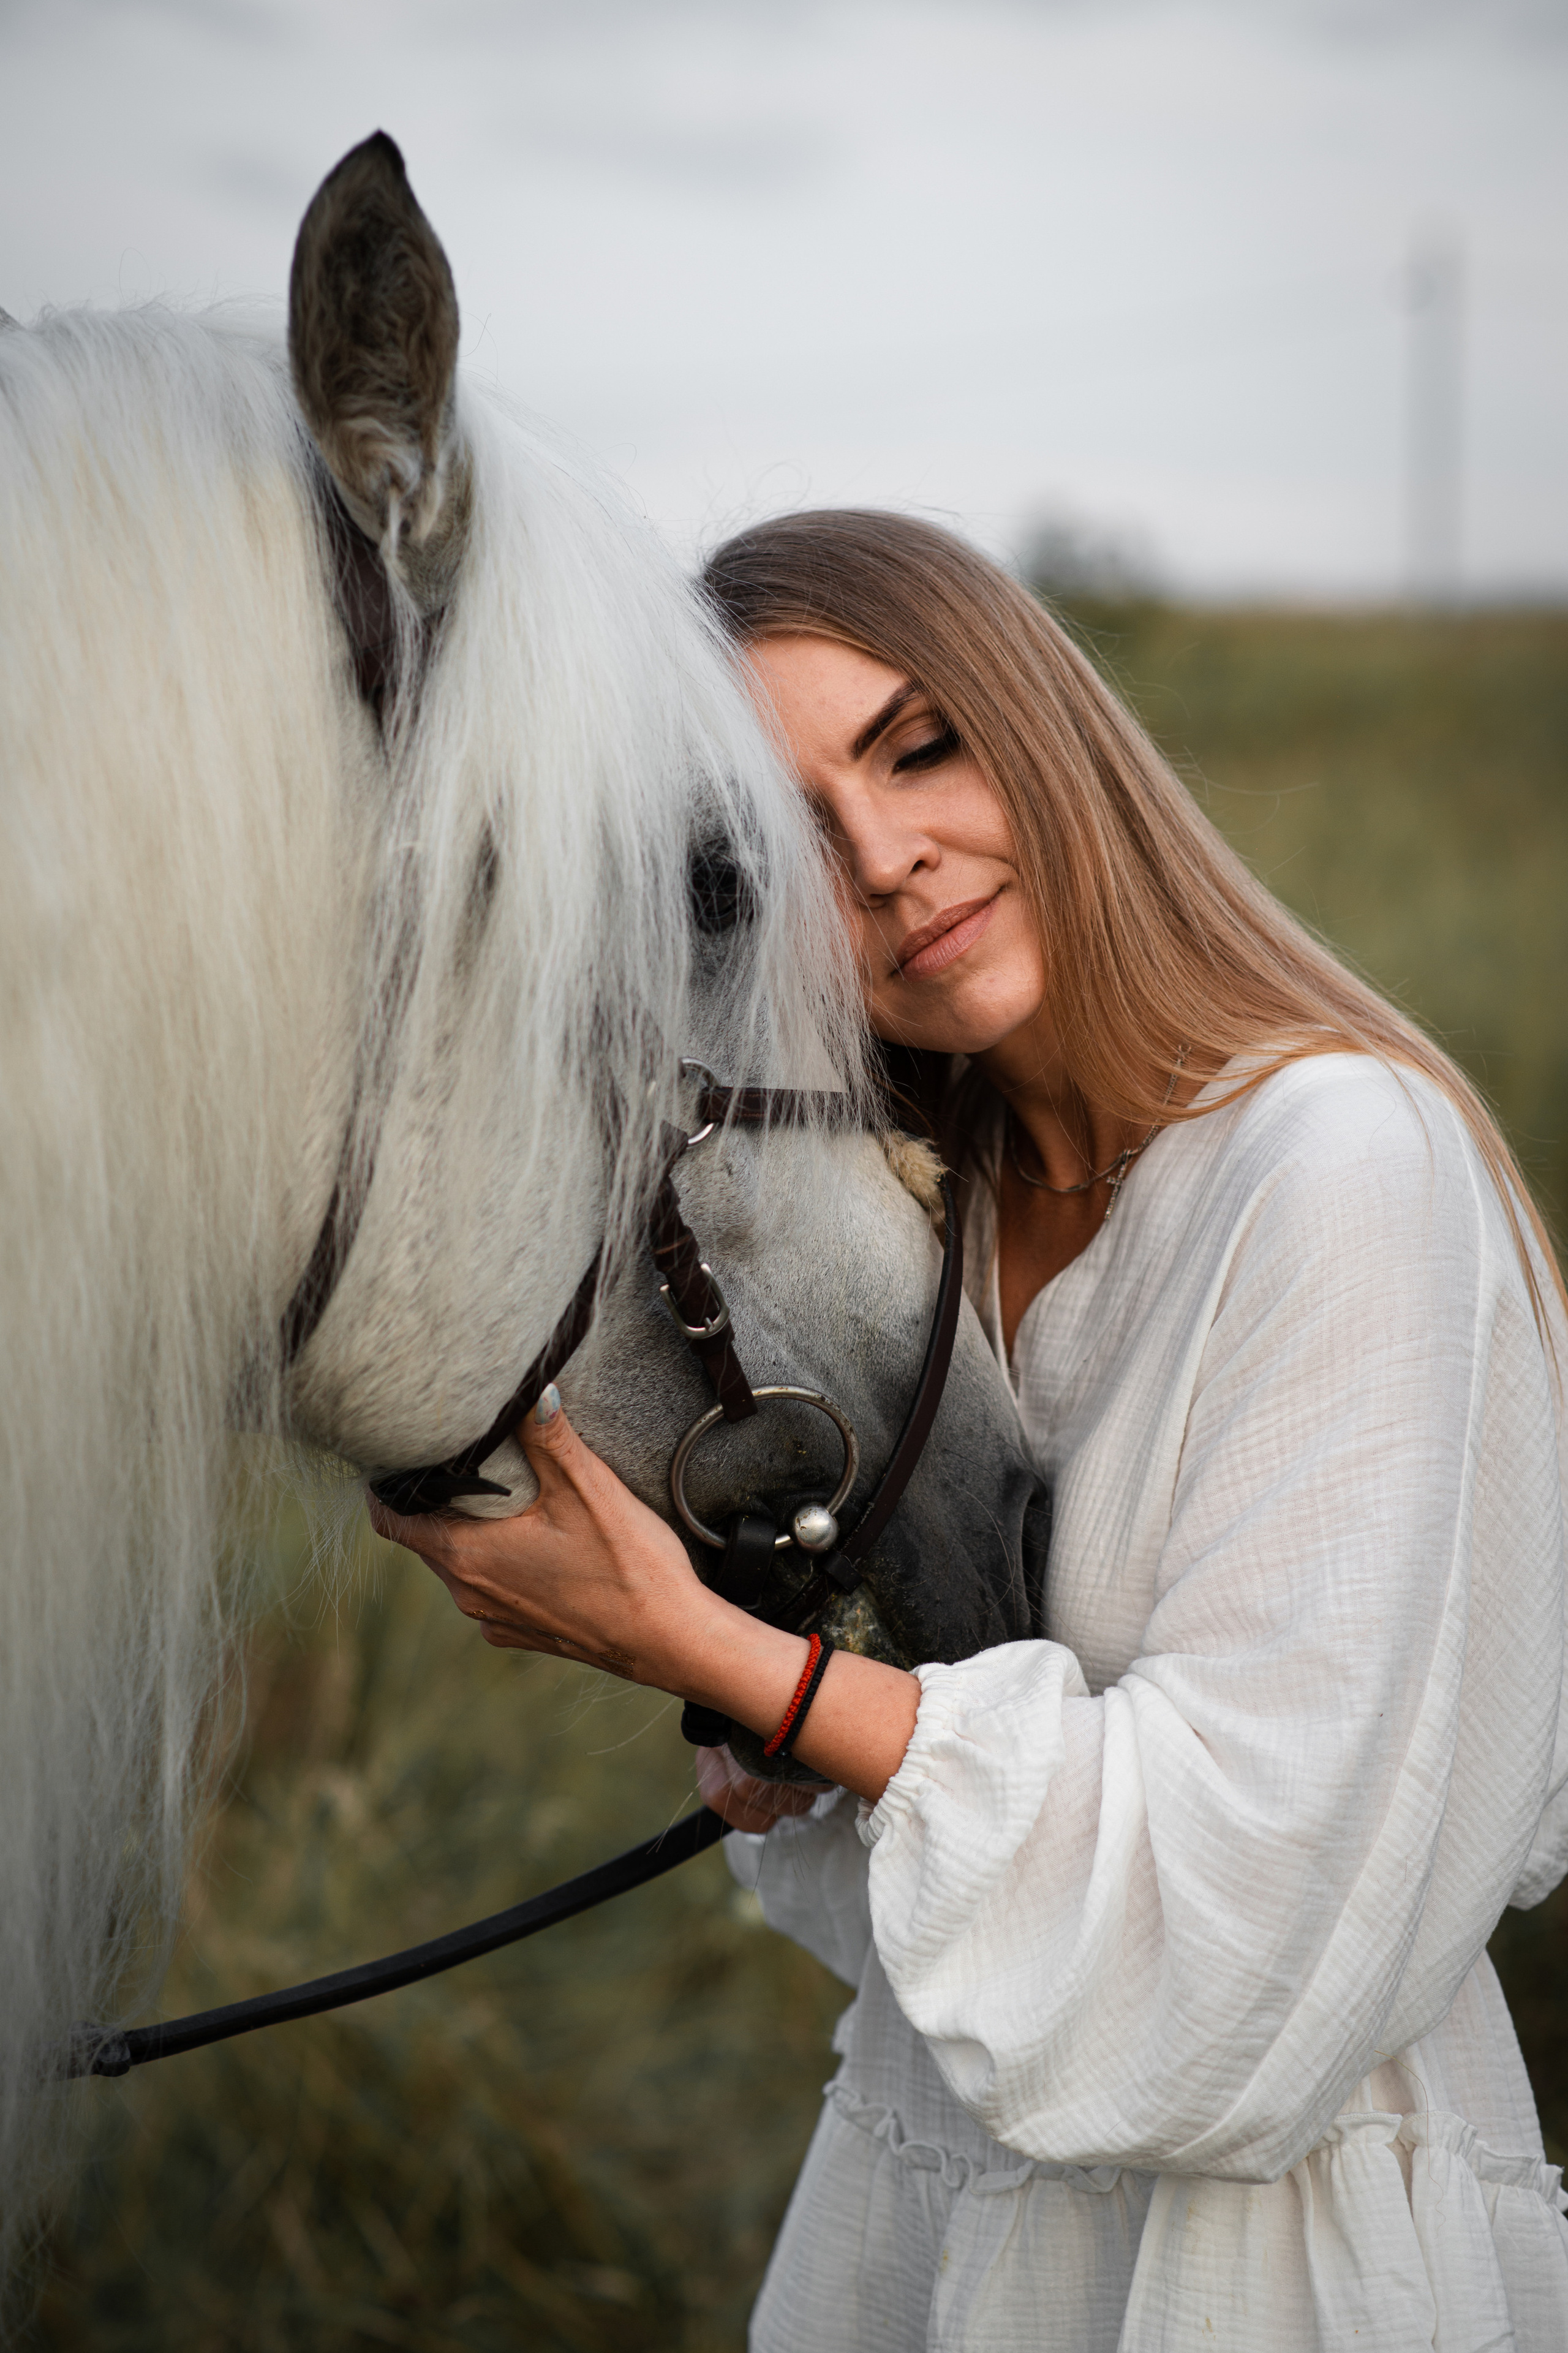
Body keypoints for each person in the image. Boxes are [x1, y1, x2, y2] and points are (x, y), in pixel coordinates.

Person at [369, 511, 1568, 2349]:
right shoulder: (935, 1209)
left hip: (1268, 2262)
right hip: (940, 2209)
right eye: (796, 847)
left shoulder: (1337, 1166)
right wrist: (785, 1722)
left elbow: (1242, 1936)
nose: (889, 860)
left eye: (920, 746)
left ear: (1048, 728)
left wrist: (698, 1650)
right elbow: (946, 1847)